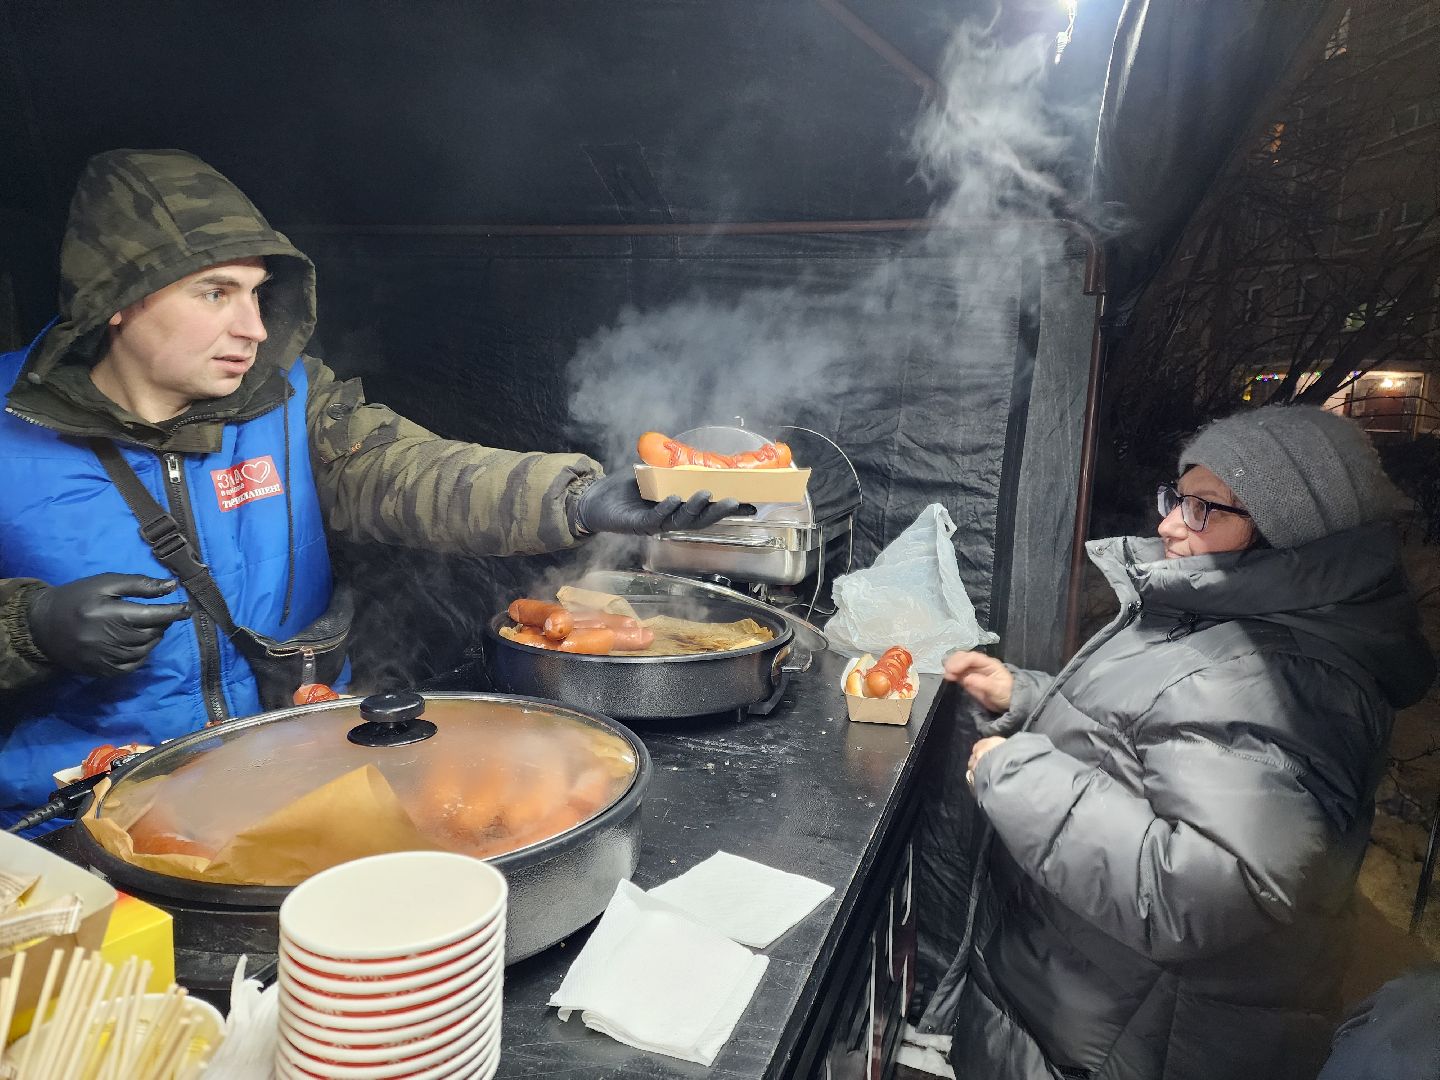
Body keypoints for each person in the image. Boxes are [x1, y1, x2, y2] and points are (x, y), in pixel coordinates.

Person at [0, 148, 736, 827]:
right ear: (116, 298)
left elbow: (409, 471)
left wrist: (574, 500)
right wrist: (28, 628)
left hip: (300, 785)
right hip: (79, 821)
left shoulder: (286, 400)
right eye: (215, 293)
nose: (253, 327)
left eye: (257, 293)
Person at [939, 405, 1436, 1080]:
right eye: (1177, 496)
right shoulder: (1224, 613)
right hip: (1086, 1004)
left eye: (1204, 508)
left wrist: (1019, 777)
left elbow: (1216, 887)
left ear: (1285, 534)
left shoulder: (1289, 676)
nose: (1169, 523)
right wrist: (1026, 698)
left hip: (1134, 1041)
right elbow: (1162, 737)